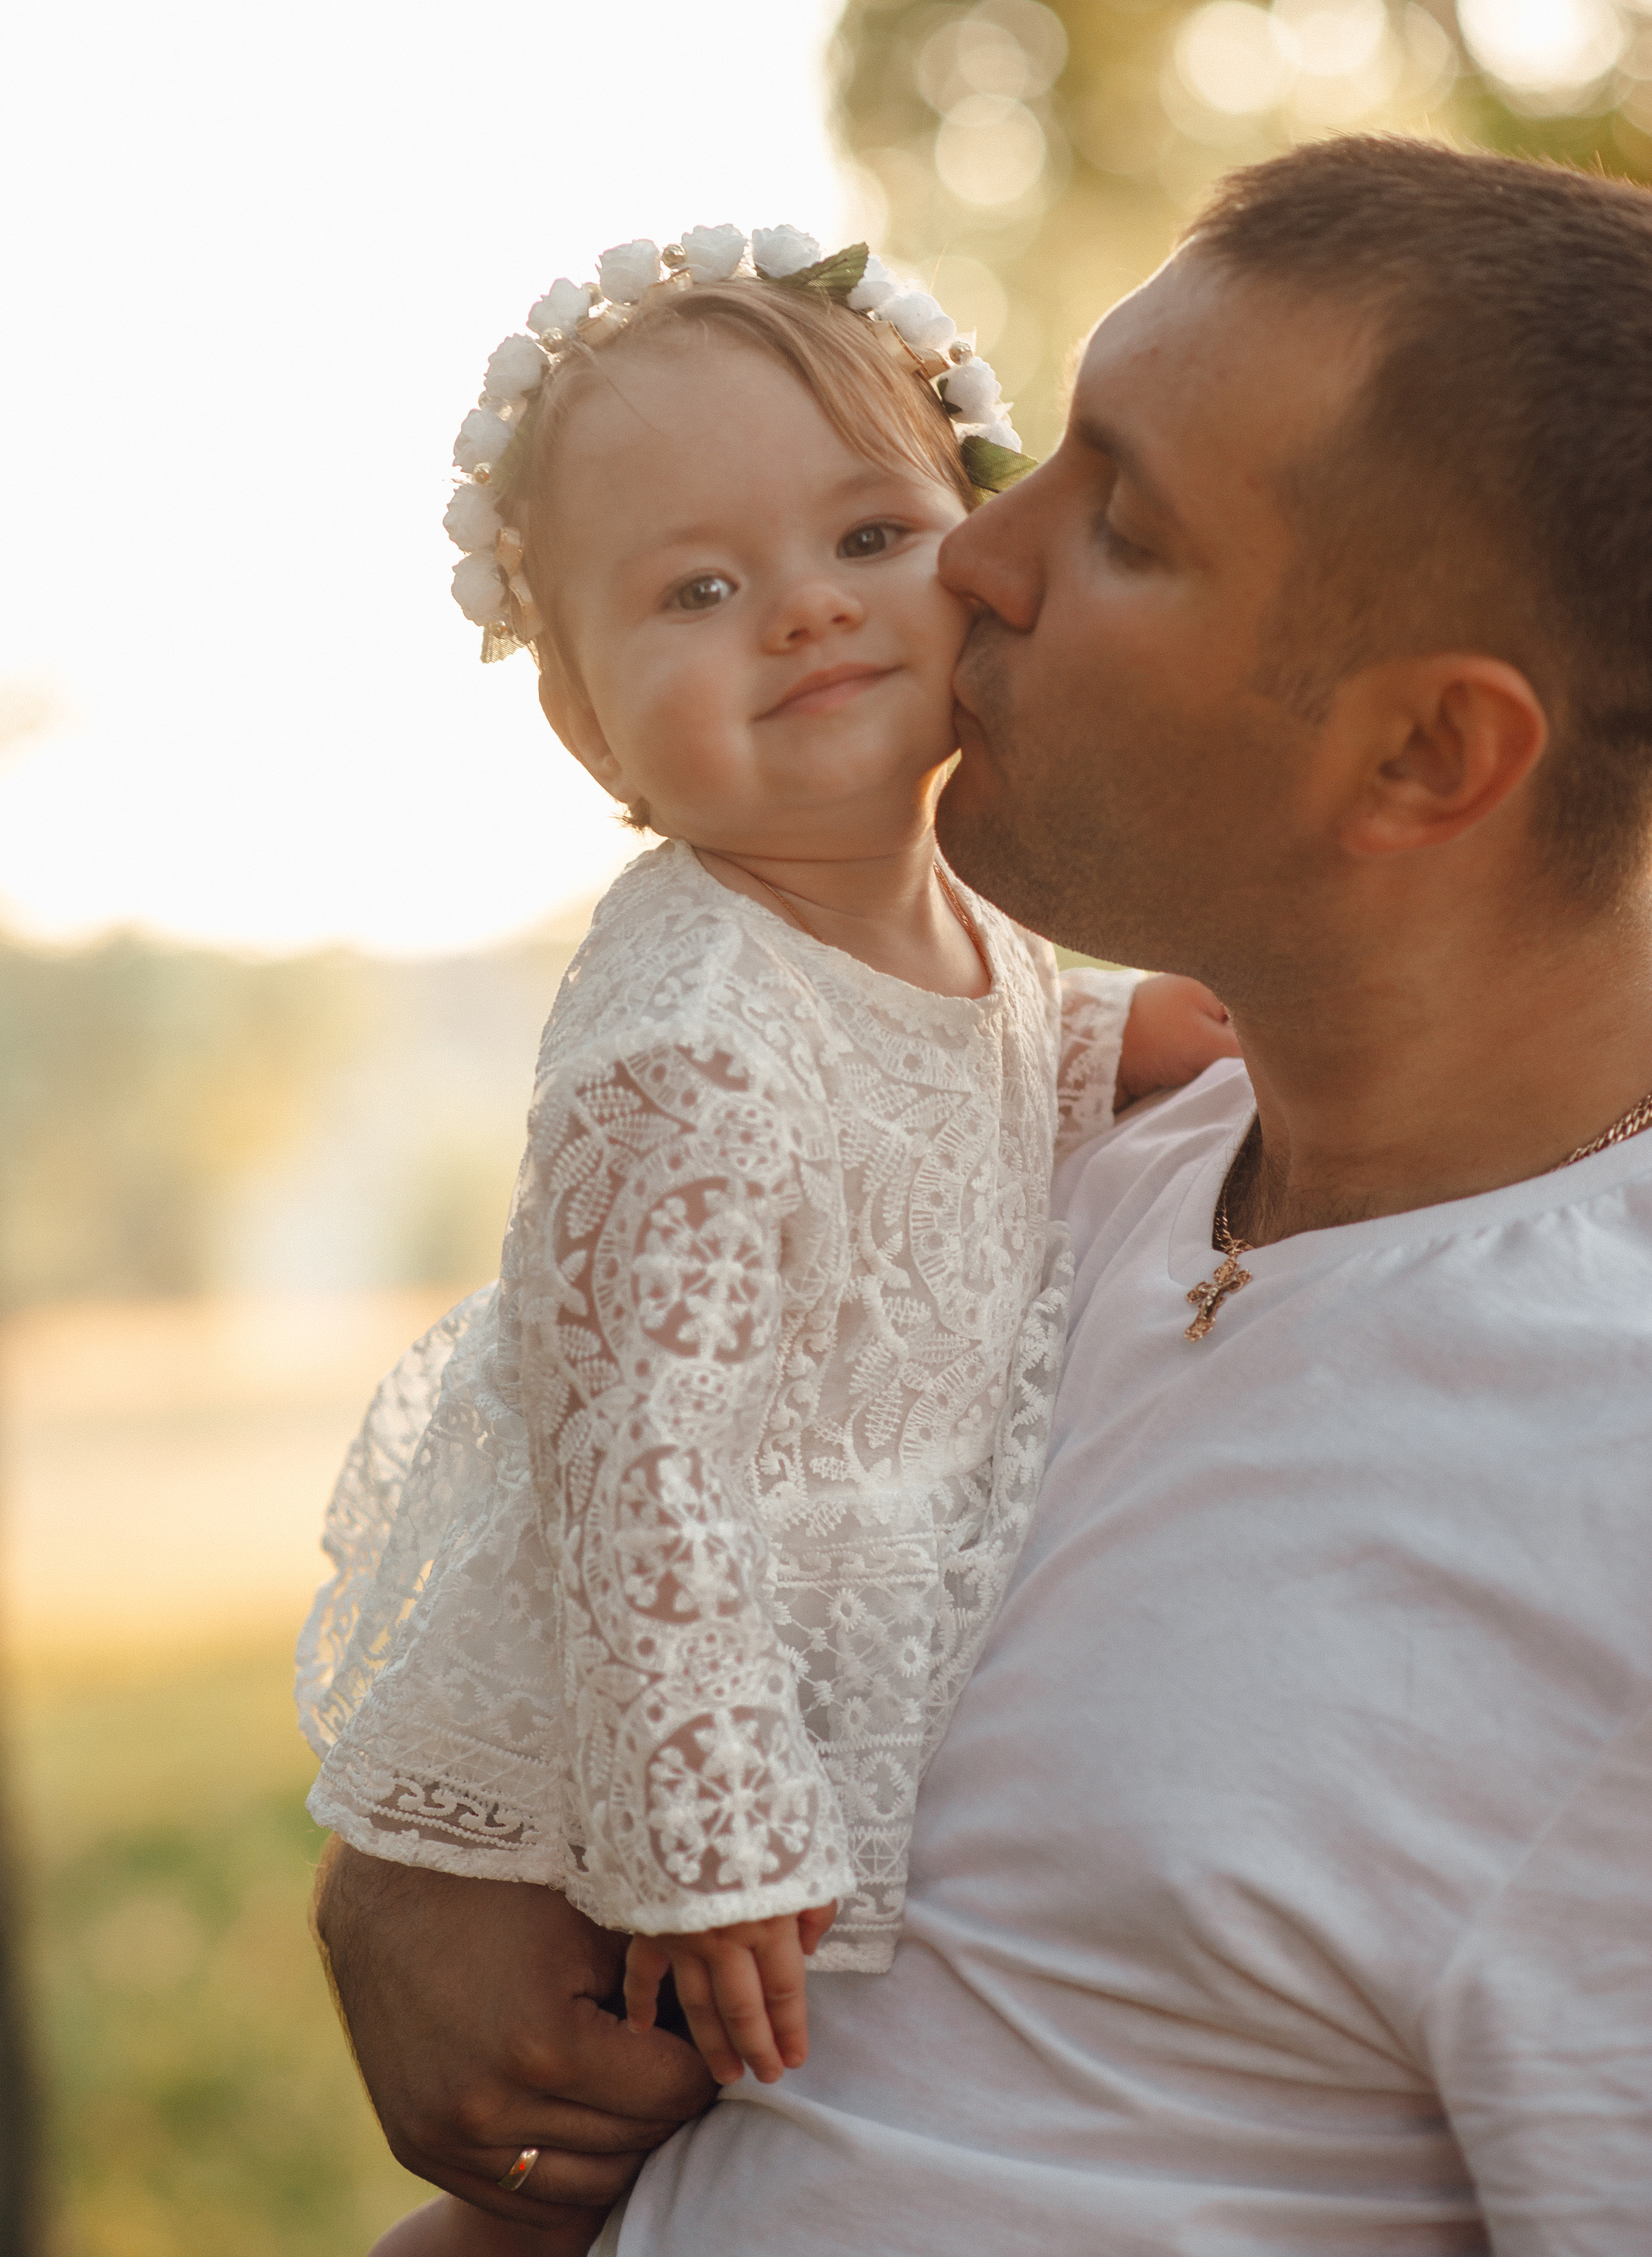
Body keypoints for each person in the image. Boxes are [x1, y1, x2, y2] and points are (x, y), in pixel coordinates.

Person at [317, 138, 1652, 2256]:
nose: (970, 560)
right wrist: (423, 1868)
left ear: (1423, 758)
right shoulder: (1075, 1149)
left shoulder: (1605, 1505)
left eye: (1114, 516)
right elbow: (619, 1451)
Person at [297, 229, 1232, 2254]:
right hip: (635, 1744)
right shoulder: (690, 1029)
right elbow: (641, 1468)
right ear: (587, 728)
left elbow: (970, 1069)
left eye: (870, 532)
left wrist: (1123, 1033)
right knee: (597, 2144)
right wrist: (704, 1838)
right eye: (699, 591)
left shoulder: (960, 924)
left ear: (975, 565)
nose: (803, 610)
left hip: (802, 1669)